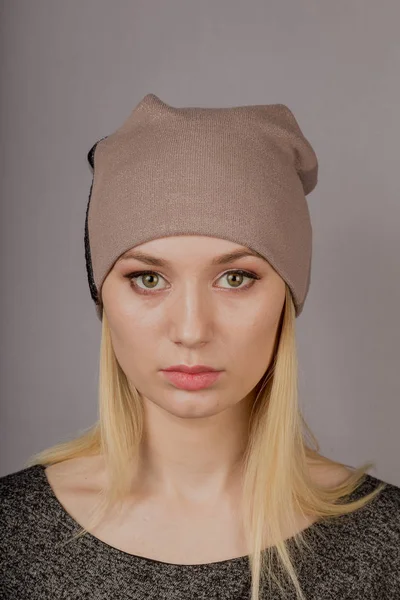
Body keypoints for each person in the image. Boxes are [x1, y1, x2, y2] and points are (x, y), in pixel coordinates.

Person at [1, 93, 399, 600]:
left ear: (288, 295)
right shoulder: (12, 539)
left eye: (235, 277)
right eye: (147, 278)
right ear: (103, 295)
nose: (191, 329)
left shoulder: (387, 545)